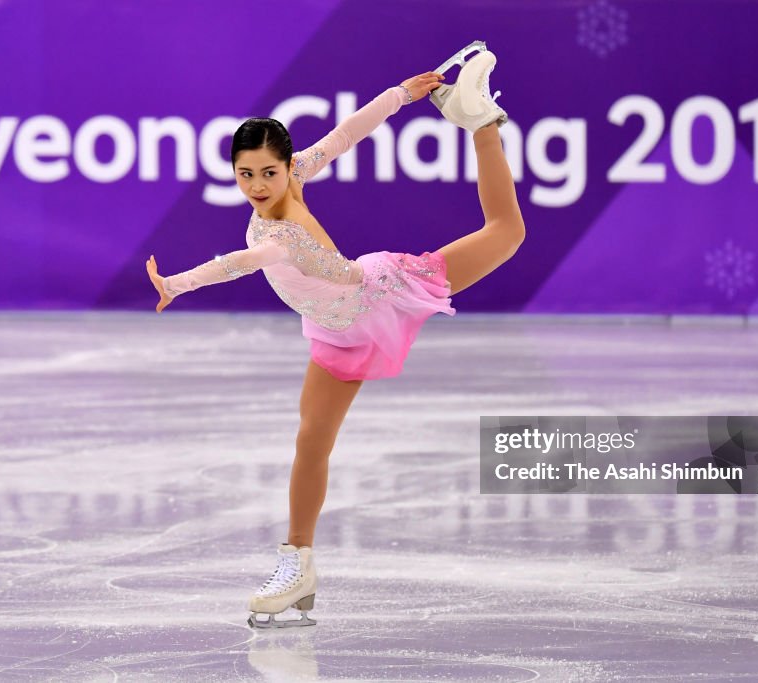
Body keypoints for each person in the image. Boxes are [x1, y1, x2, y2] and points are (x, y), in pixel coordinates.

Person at [145, 41, 524, 628]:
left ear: (286, 164)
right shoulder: (287, 187)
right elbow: (348, 133)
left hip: (379, 293)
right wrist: (400, 94)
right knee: (312, 441)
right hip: (336, 326)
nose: (257, 185)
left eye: (267, 172)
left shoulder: (278, 233)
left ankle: (481, 120)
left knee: (506, 231)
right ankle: (297, 562)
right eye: (245, 174)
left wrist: (177, 283)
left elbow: (239, 262)